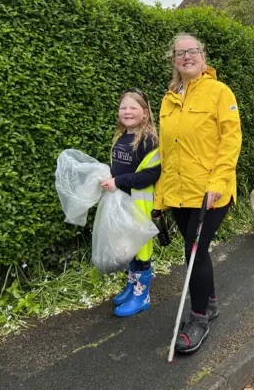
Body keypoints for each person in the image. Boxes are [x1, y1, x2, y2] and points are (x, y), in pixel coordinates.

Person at [153, 34, 242, 354]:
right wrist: (160, 195)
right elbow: (167, 150)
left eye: (192, 51)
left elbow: (230, 142)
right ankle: (212, 303)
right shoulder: (169, 97)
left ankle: (199, 318)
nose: (186, 56)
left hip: (210, 190)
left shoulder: (220, 92)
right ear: (174, 60)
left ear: (202, 57)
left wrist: (217, 184)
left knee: (193, 251)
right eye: (180, 53)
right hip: (178, 191)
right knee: (195, 251)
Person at [101, 89, 162, 317]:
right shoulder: (121, 137)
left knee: (142, 251)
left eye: (133, 108)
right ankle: (131, 287)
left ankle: (142, 295)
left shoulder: (150, 141)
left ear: (145, 113)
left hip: (141, 206)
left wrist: (118, 181)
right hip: (123, 204)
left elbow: (150, 175)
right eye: (123, 107)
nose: (127, 112)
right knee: (128, 248)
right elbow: (119, 168)